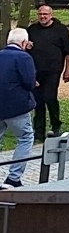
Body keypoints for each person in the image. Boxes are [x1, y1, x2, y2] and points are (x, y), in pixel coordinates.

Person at [28, 5, 69, 141]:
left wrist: (68, 70)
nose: (43, 17)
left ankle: (56, 126)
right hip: (36, 71)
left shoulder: (61, 30)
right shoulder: (32, 30)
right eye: (40, 14)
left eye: (45, 14)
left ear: (51, 15)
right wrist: (27, 45)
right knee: (38, 101)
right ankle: (39, 131)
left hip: (53, 70)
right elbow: (24, 47)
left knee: (49, 97)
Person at [0, 28, 36, 189]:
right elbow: (29, 82)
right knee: (25, 137)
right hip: (16, 107)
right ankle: (13, 178)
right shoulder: (23, 57)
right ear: (24, 43)